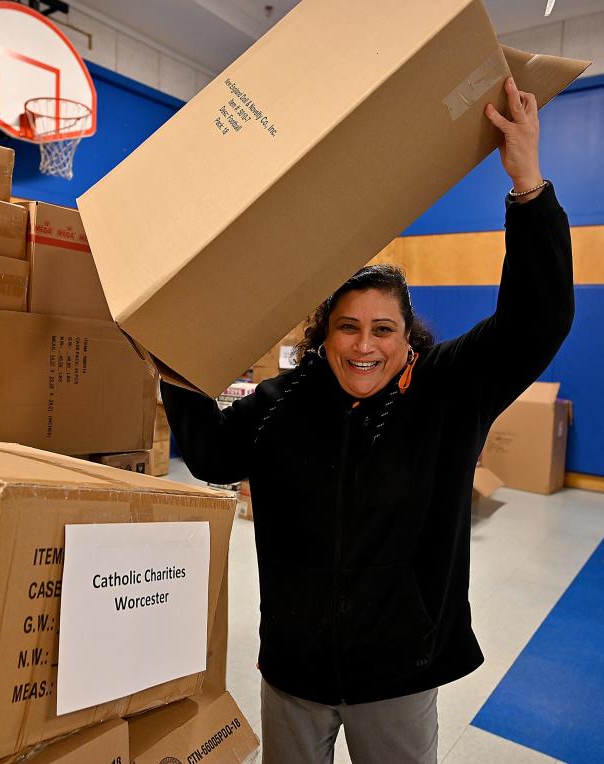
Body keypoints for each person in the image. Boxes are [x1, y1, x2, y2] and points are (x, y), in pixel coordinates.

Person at [161, 76, 573, 763]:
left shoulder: (447, 393)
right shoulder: (280, 405)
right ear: (324, 335)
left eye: (384, 328)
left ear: (407, 336)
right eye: (348, 327)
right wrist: (172, 352)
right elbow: (209, 454)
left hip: (400, 677)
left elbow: (537, 320)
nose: (364, 345)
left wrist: (527, 180)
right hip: (292, 675)